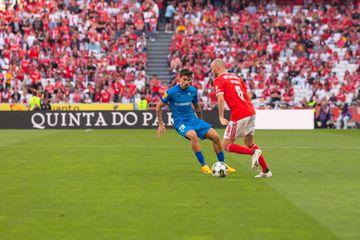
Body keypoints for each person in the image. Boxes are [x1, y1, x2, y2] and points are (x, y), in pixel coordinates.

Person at [156, 69, 235, 174]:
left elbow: (197, 106)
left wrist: (201, 121)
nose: (186, 82)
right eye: (184, 79)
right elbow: (158, 107)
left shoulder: (193, 90)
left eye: (189, 80)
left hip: (194, 120)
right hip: (181, 123)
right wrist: (161, 124)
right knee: (193, 135)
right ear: (179, 78)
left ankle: (223, 164)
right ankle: (204, 165)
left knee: (215, 136)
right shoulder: (171, 92)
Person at [211, 59, 272, 178]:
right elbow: (248, 96)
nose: (211, 71)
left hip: (239, 114)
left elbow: (220, 99)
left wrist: (221, 116)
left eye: (212, 68)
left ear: (217, 68)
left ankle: (253, 153)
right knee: (249, 142)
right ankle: (265, 170)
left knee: (226, 145)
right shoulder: (237, 78)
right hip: (251, 112)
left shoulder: (219, 80)